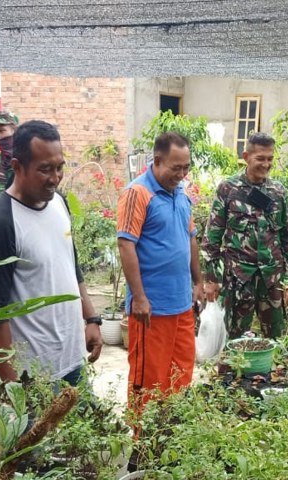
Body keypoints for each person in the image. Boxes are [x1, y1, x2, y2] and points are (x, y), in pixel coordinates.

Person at [0, 120, 103, 386]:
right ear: (17, 167)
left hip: (73, 359)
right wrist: (16, 390)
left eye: (59, 168)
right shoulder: (0, 223)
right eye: (44, 169)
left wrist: (91, 318)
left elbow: (71, 263)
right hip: (34, 376)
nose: (55, 178)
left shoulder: (58, 202)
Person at [116, 131, 204, 411]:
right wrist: (139, 297)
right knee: (149, 381)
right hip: (151, 309)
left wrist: (198, 282)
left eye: (186, 167)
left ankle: (171, 437)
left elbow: (190, 238)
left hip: (181, 306)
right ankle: (144, 448)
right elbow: (126, 244)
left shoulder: (181, 193)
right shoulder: (137, 193)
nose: (181, 174)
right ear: (157, 160)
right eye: (175, 168)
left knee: (180, 374)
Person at [201, 132, 288, 340]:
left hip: (272, 279)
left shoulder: (278, 192)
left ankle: (266, 373)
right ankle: (230, 373)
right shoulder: (228, 189)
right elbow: (212, 237)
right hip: (238, 278)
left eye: (270, 159)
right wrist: (211, 279)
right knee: (232, 341)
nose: (266, 164)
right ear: (246, 157)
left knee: (274, 339)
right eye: (260, 158)